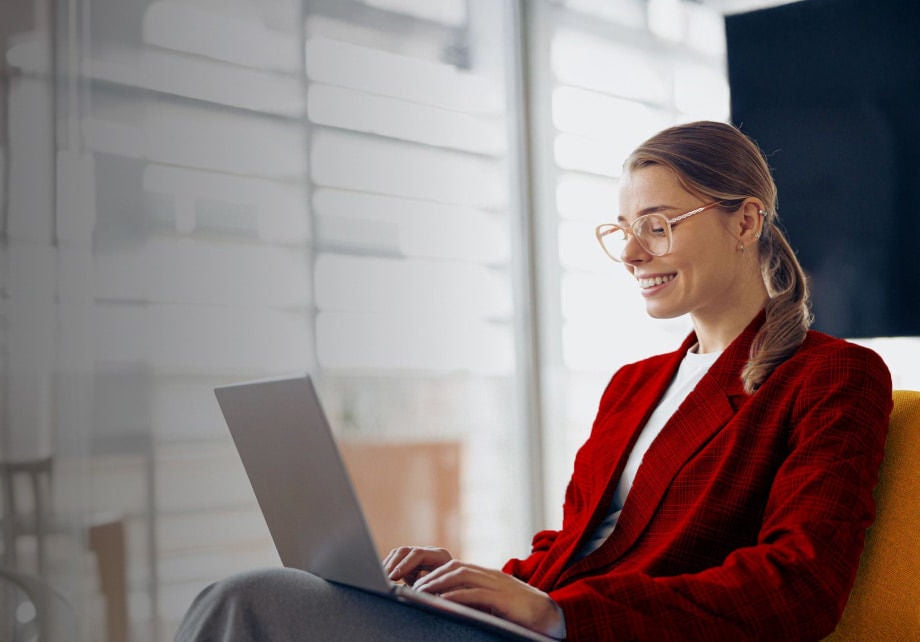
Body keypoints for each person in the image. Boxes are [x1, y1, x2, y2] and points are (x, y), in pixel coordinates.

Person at [175, 121, 892, 641]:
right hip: (547, 627)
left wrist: (559, 613)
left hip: (598, 635)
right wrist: (470, 583)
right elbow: (579, 547)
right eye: (622, 230)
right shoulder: (633, 386)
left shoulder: (832, 377)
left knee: (251, 602)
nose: (633, 253)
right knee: (267, 596)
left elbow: (799, 588)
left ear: (746, 224)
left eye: (660, 225)